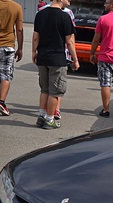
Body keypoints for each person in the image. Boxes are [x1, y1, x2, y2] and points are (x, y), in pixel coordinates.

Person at [32, 0, 79, 129]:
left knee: (44, 89)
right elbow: (69, 41)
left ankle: (41, 116)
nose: (69, 1)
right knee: (55, 91)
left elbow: (36, 37)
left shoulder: (40, 14)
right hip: (57, 59)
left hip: (43, 57)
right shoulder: (65, 17)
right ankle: (50, 119)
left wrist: (34, 52)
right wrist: (75, 59)